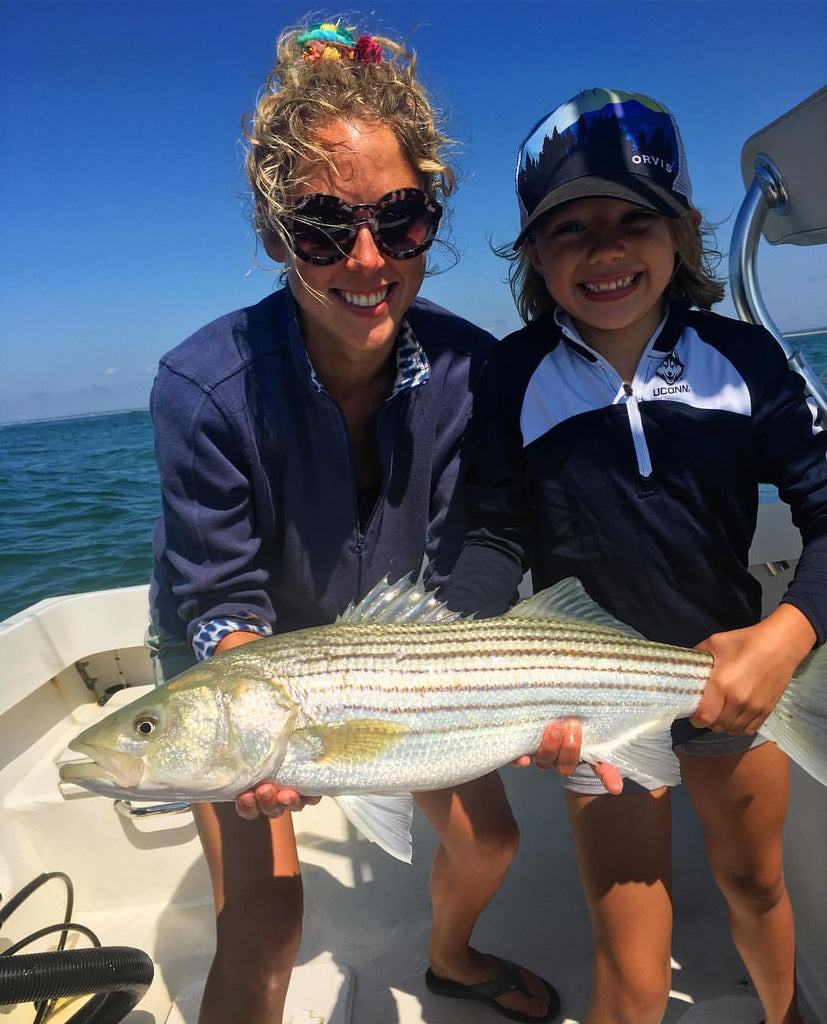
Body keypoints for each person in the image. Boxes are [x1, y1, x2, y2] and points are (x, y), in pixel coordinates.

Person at [147, 18, 560, 1024]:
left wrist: (494, 674)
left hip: (392, 663)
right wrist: (260, 722)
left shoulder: (477, 370)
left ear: (432, 217)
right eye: (324, 229)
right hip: (250, 673)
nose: (366, 259)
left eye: (400, 220)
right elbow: (214, 596)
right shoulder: (204, 391)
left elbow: (476, 546)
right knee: (266, 921)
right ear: (273, 235)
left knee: (489, 841)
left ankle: (450, 957)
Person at [444, 88, 827, 1024]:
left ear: (683, 230)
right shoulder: (510, 377)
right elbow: (492, 533)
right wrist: (459, 656)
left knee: (757, 885)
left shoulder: (744, 361)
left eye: (633, 219)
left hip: (738, 675)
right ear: (533, 254)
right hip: (586, 696)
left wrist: (785, 636)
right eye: (569, 228)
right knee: (629, 946)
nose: (605, 248)